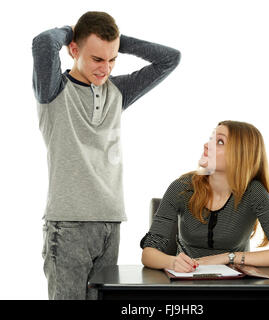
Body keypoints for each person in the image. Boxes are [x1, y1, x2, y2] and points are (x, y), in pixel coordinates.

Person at [32, 11, 181, 299]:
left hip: (110, 223)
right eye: (97, 59)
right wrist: (69, 31)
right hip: (68, 226)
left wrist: (117, 43)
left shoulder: (118, 91)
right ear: (74, 50)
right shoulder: (53, 90)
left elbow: (170, 58)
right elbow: (42, 43)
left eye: (112, 59)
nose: (106, 69)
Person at [140, 120, 269, 272]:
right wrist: (173, 262)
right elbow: (148, 254)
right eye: (211, 139)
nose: (207, 145)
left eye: (220, 142)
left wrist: (228, 257)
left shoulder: (253, 193)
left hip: (234, 286)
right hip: (187, 282)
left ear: (241, 154)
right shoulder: (182, 187)